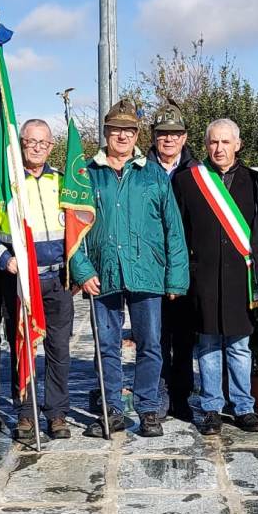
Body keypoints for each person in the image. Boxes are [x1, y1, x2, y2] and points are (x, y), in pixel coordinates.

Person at [71, 99, 189, 438]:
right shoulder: (86, 174)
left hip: (147, 274)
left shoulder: (152, 174)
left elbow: (173, 229)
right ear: (106, 132)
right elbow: (72, 227)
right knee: (105, 345)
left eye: (128, 130)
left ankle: (148, 409)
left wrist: (176, 278)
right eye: (115, 129)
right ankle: (111, 409)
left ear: (137, 134)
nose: (121, 135)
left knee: (150, 343)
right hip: (101, 272)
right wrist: (81, 269)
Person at [0, 119, 76, 440]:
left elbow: (77, 230)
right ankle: (26, 412)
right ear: (20, 143)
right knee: (23, 347)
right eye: (30, 142)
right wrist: (6, 260)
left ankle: (57, 413)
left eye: (43, 143)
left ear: (51, 146)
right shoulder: (3, 184)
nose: (37, 148)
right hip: (20, 282)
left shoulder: (62, 182)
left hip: (58, 280)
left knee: (59, 349)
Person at [172, 118, 258, 435]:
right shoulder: (188, 181)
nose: (219, 148)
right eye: (213, 142)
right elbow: (179, 233)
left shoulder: (254, 182)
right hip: (202, 279)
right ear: (205, 145)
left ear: (238, 145)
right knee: (208, 346)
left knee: (240, 346)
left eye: (225, 142)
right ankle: (212, 408)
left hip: (240, 279)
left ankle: (243, 407)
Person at [147, 103, 199, 420]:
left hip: (187, 268)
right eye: (162, 134)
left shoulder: (197, 173)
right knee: (154, 338)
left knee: (183, 338)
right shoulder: (141, 170)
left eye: (174, 134)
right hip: (150, 269)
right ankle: (159, 396)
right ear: (154, 138)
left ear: (184, 138)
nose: (168, 139)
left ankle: (181, 397)